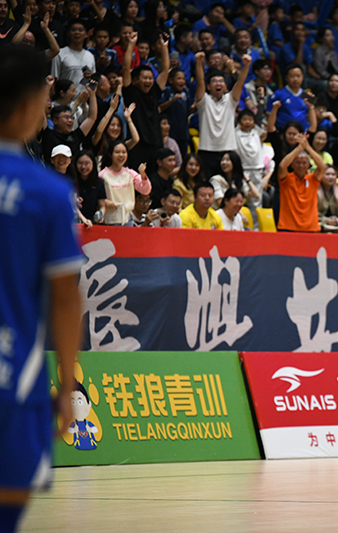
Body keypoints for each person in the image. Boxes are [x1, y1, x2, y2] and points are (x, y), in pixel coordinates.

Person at [0, 44, 84, 533]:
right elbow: (66, 297)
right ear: (31, 104)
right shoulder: (48, 192)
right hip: (14, 378)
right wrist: (67, 386)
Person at [195, 50, 251, 176]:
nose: (218, 83)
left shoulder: (230, 100)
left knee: (228, 185)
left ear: (225, 86)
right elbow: (200, 81)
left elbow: (240, 82)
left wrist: (246, 65)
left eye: (221, 81)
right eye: (214, 81)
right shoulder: (204, 101)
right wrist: (198, 63)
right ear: (209, 87)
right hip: (207, 152)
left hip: (228, 151)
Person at [121, 30, 170, 168]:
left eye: (150, 78)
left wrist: (164, 47)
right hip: (137, 145)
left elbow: (165, 70)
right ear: (136, 80)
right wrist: (131, 45)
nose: (148, 81)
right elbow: (125, 69)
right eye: (145, 78)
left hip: (156, 144)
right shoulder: (131, 93)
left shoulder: (154, 91)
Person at [276, 133, 326, 232]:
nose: (301, 165)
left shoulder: (312, 180)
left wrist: (307, 147)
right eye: (298, 162)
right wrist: (299, 148)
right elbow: (282, 166)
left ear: (308, 165)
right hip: (288, 227)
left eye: (304, 163)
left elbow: (322, 167)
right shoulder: (286, 179)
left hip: (310, 228)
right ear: (292, 164)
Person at [98, 140, 152, 225]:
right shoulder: (102, 175)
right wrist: (105, 201)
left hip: (127, 219)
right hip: (110, 219)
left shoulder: (130, 173)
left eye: (124, 152)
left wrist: (143, 175)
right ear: (110, 154)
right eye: (117, 152)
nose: (121, 155)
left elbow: (145, 191)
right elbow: (96, 196)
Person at [50, 19, 94, 86]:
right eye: (73, 30)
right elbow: (53, 80)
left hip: (85, 92)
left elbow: (93, 82)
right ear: (68, 33)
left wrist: (91, 77)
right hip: (65, 92)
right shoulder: (60, 54)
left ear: (86, 34)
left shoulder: (90, 56)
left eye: (80, 30)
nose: (77, 32)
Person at [72, 149, 107, 224]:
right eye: (80, 163)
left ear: (93, 164)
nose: (83, 167)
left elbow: (102, 205)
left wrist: (100, 214)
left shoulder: (99, 182)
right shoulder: (72, 181)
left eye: (87, 163)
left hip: (93, 222)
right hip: (75, 222)